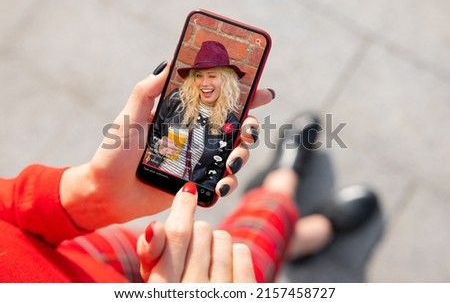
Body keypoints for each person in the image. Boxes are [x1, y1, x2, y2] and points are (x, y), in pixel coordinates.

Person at [0, 61, 378, 283]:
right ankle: (284, 201)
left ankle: (287, 227)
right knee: (235, 257)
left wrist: (88, 199)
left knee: (195, 248)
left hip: (67, 256)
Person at [145, 41, 250, 192]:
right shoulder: (177, 100)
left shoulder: (230, 122)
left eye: (212, 76)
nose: (204, 83)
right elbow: (151, 132)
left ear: (226, 81)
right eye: (199, 76)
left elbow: (217, 168)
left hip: (187, 192)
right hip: (155, 176)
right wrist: (159, 145)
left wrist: (201, 193)